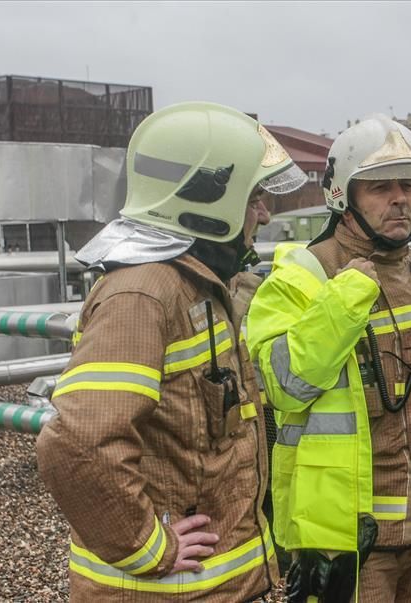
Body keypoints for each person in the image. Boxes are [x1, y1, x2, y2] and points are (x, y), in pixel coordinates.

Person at [36, 101, 307, 601]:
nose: (265, 214)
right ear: (209, 198)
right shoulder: (143, 294)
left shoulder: (197, 285)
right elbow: (76, 442)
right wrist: (144, 546)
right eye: (254, 198)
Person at [246, 115, 411, 602]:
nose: (399, 198)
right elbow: (283, 386)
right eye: (380, 187)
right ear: (343, 197)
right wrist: (345, 300)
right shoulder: (301, 277)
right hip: (350, 543)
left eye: (408, 185)